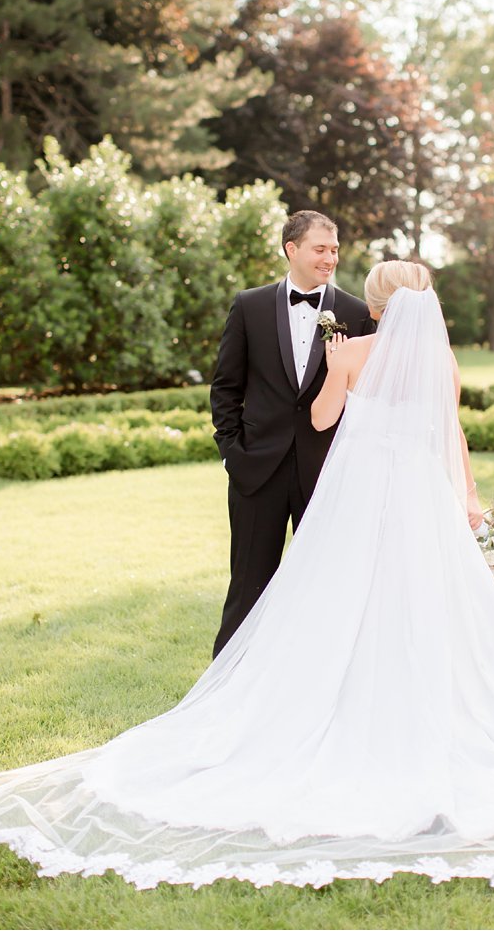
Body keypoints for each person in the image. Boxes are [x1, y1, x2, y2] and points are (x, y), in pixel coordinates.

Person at [0, 262, 494, 888]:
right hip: (424, 500)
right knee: (429, 608)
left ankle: (342, 707)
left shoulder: (352, 352)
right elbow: (452, 433)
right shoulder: (444, 362)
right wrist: (472, 501)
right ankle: (422, 710)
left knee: (336, 604)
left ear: (378, 302)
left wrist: (334, 370)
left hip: (361, 503)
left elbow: (322, 420)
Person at [209, 210, 376, 656]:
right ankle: (225, 687)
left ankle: (317, 681)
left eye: (335, 250)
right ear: (292, 249)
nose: (330, 258)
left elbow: (369, 396)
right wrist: (231, 451)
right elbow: (226, 386)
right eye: (320, 249)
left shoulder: (356, 314)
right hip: (256, 469)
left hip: (326, 473)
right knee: (247, 586)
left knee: (326, 584)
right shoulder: (250, 305)